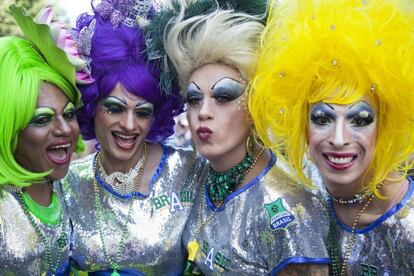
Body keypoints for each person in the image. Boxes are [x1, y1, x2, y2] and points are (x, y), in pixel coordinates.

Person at [148, 0, 331, 274]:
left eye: (223, 96)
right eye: (194, 99)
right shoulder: (197, 178)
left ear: (257, 103)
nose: (204, 112)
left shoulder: (288, 210)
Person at [250, 0, 414, 274]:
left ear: (384, 126)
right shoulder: (302, 197)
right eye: (322, 118)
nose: (339, 139)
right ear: (302, 125)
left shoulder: (408, 225)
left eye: (360, 120)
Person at [60, 0, 205, 274]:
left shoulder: (190, 171)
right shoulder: (68, 184)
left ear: (156, 115)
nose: (129, 125)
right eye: (114, 108)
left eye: (142, 112)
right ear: (92, 107)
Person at [0, 5, 81, 275]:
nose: (64, 129)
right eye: (42, 119)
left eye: (69, 114)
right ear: (10, 128)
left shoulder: (71, 189)